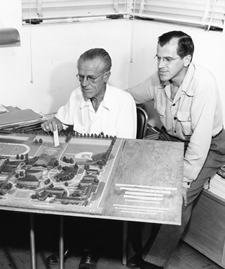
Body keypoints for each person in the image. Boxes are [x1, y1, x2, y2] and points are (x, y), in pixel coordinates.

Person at [126, 31, 225, 269]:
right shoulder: (159, 78)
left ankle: (154, 260)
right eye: (158, 58)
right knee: (143, 182)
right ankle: (142, 247)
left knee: (179, 200)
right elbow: (129, 95)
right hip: (172, 139)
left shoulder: (204, 83)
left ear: (187, 60)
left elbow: (200, 142)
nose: (160, 65)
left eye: (168, 59)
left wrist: (184, 180)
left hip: (209, 146)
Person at [42, 48, 137, 269]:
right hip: (82, 162)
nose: (84, 83)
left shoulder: (124, 101)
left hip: (113, 164)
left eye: (90, 78)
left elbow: (126, 147)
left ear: (106, 76)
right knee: (55, 185)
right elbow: (62, 120)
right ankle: (71, 244)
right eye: (80, 76)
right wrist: (54, 124)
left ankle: (90, 251)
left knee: (90, 189)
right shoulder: (77, 94)